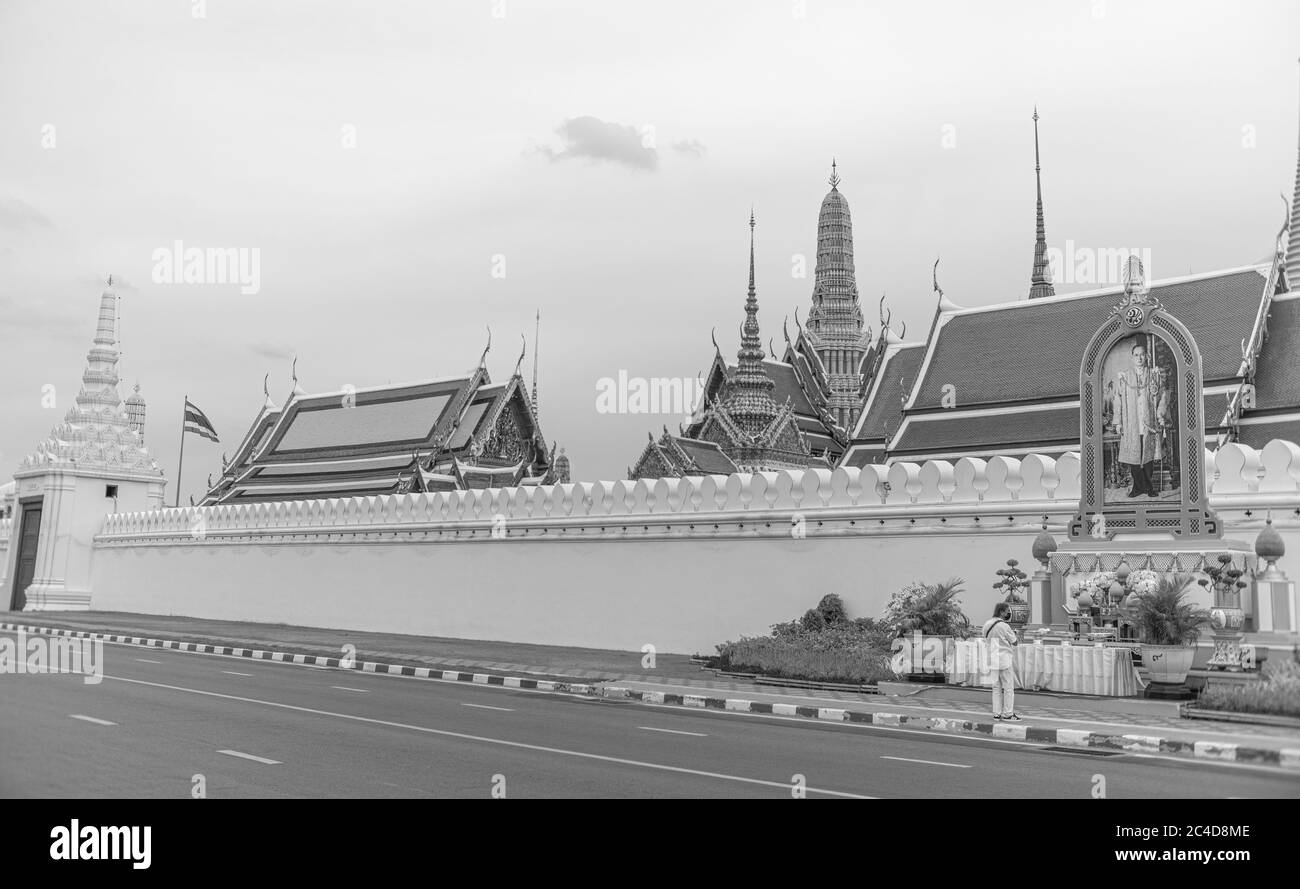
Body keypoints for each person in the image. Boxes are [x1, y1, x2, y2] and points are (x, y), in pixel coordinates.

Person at [1112, 340, 1169, 498]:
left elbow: (1163, 395)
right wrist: (1118, 422)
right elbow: (1117, 399)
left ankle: (1148, 486)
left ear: (1147, 356)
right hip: (1132, 423)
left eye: (1142, 355)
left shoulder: (1154, 375)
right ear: (1132, 358)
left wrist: (1160, 414)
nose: (1139, 358)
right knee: (1134, 456)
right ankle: (1139, 487)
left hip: (1149, 422)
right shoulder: (1124, 378)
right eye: (1136, 355)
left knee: (1149, 455)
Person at [983, 602, 1020, 720]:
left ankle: (996, 713)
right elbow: (1015, 642)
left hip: (992, 659)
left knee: (996, 687)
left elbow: (986, 638)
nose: (1008, 613)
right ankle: (1008, 713)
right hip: (1004, 659)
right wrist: (1014, 635)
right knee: (1008, 687)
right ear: (1001, 612)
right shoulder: (1004, 626)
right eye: (1007, 611)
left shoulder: (987, 624)